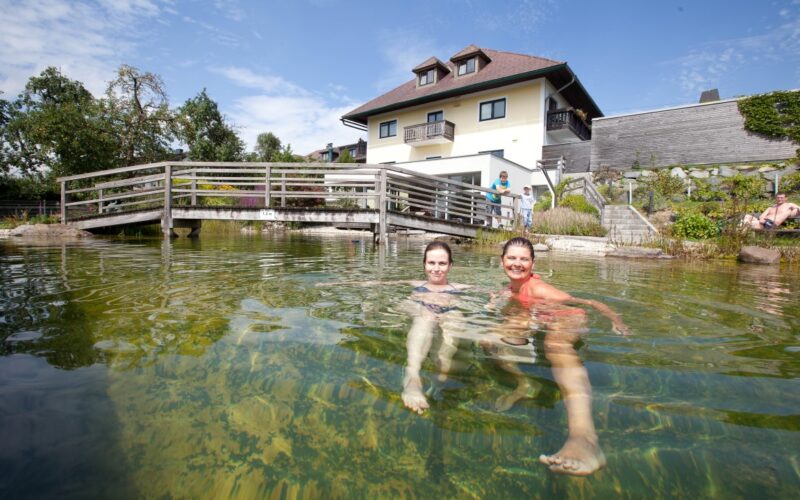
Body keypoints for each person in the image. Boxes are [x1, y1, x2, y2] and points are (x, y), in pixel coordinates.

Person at [494, 237, 629, 476]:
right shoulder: (508, 289)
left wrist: (617, 321)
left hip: (567, 319)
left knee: (555, 346)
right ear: (502, 261)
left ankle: (585, 439)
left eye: (524, 259)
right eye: (511, 258)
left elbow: (589, 302)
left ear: (533, 263)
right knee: (490, 339)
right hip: (543, 320)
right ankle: (522, 383)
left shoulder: (539, 288)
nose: (517, 263)